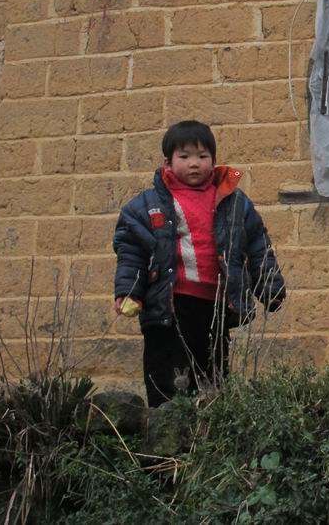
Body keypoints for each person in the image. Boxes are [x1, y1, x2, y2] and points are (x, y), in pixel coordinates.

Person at [113, 120, 286, 406]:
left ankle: (209, 436)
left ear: (214, 160)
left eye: (202, 156)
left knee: (213, 375)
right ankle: (166, 434)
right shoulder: (146, 206)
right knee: (168, 374)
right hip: (169, 305)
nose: (194, 163)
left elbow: (256, 244)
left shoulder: (233, 202)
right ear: (167, 163)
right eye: (185, 156)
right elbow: (132, 251)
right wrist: (130, 291)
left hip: (215, 306)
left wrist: (269, 287)